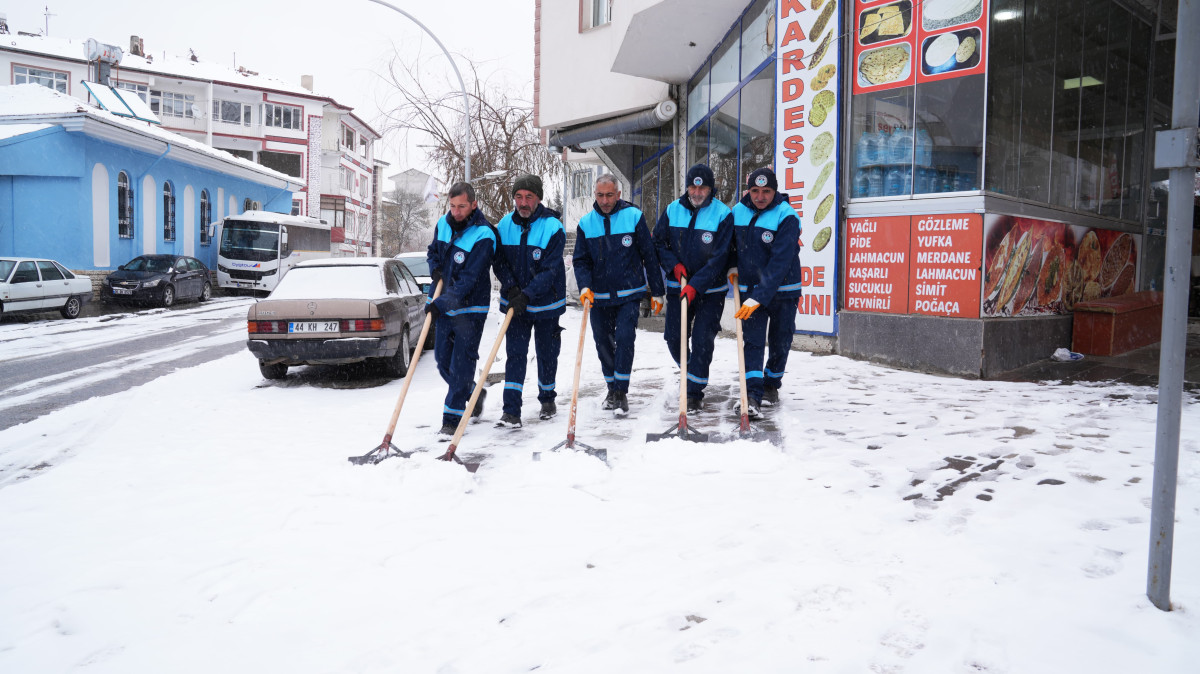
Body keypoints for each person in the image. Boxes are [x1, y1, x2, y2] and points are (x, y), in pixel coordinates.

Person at [573, 173, 665, 415]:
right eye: (601, 195)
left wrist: (657, 291)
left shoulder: (633, 217)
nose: (605, 200)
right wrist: (584, 286)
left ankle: (620, 392)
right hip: (598, 296)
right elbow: (581, 261)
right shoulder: (585, 224)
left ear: (618, 194)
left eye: (609, 195)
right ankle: (611, 387)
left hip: (629, 292)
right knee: (603, 342)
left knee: (625, 339)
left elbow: (649, 254)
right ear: (595, 195)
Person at [653, 163, 733, 413]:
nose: (697, 192)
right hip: (679, 287)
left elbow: (720, 258)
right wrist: (673, 265)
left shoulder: (722, 214)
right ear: (687, 187)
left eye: (703, 187)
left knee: (702, 339)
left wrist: (696, 285)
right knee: (674, 338)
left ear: (711, 189)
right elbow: (658, 242)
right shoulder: (672, 210)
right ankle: (690, 372)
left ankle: (694, 392)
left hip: (711, 291)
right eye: (693, 187)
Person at [492, 174, 567, 428]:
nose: (523, 202)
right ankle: (511, 410)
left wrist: (528, 294)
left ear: (538, 199)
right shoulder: (504, 226)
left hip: (546, 304)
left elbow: (550, 270)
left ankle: (547, 399)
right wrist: (513, 289)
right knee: (515, 355)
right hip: (516, 306)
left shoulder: (553, 227)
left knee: (547, 354)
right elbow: (499, 261)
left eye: (529, 197)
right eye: (519, 197)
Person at [729, 168, 803, 418]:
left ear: (775, 191)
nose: (760, 197)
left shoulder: (787, 216)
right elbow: (729, 246)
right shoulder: (737, 212)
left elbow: (780, 262)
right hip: (749, 290)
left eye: (766, 191)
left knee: (781, 340)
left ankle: (772, 383)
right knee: (752, 342)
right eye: (755, 191)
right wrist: (731, 265)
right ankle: (751, 395)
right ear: (748, 190)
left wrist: (757, 297)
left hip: (783, 291)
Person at [426, 181, 497, 437]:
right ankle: (473, 394)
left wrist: (440, 303)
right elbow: (433, 251)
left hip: (471, 309)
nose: (456, 212)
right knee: (443, 361)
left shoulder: (484, 234)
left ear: (474, 204)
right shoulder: (444, 224)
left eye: (462, 207)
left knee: (460, 365)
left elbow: (469, 279)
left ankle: (452, 418)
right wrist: (434, 267)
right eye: (453, 206)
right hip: (446, 307)